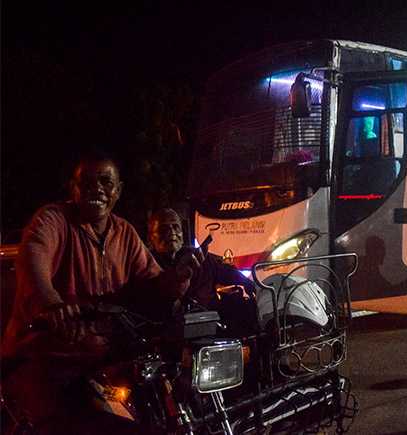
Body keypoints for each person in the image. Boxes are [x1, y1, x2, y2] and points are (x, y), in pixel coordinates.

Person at [1, 151, 203, 433]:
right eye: (86, 183)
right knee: (61, 422)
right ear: (73, 188)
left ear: (118, 191)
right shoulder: (53, 220)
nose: (96, 189)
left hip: (101, 359)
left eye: (106, 183)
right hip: (44, 355)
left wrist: (179, 277)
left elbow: (155, 283)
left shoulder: (125, 233)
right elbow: (33, 257)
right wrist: (51, 304)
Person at [147, 207, 257, 333]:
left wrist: (247, 282)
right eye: (163, 229)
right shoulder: (147, 266)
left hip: (211, 325)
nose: (171, 232)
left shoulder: (200, 257)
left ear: (182, 235)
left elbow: (225, 271)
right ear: (151, 239)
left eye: (176, 227)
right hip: (170, 332)